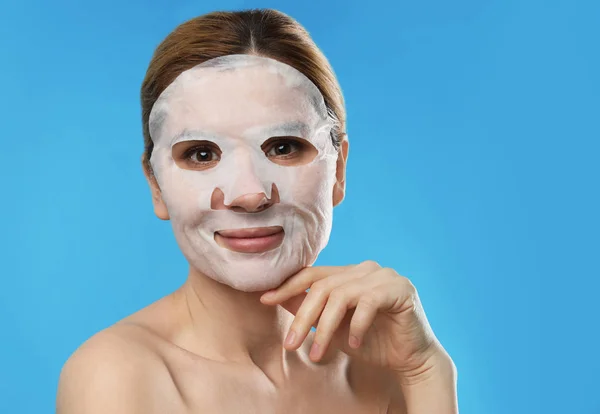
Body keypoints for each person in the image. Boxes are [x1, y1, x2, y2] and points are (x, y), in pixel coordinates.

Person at [56, 8, 458, 414]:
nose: (249, 195)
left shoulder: (384, 366)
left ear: (338, 170)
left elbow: (418, 371)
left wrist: (426, 371)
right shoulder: (117, 377)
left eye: (283, 147)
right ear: (156, 185)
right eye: (201, 154)